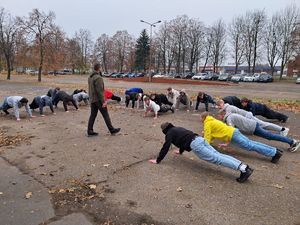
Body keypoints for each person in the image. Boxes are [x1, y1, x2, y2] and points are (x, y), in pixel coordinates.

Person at [149, 122, 253, 183]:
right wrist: (180, 152)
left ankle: (243, 170)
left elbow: (166, 147)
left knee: (217, 159)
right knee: (219, 155)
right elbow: (183, 139)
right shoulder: (177, 128)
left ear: (164, 130)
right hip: (199, 138)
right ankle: (244, 167)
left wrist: (158, 160)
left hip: (195, 144)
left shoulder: (169, 133)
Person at [200, 112, 283, 163]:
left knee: (250, 146)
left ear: (203, 118)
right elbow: (211, 136)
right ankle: (274, 151)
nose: (200, 120)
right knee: (251, 143)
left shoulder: (207, 124)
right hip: (234, 131)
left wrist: (205, 146)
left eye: (200, 118)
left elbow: (207, 136)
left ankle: (274, 153)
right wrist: (209, 142)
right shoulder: (212, 121)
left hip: (232, 135)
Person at [218, 111, 300, 152]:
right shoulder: (231, 116)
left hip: (253, 127)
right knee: (269, 136)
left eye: (219, 116)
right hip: (253, 126)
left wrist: (227, 143)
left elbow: (231, 131)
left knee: (270, 136)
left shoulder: (229, 118)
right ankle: (292, 141)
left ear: (222, 115)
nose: (219, 118)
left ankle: (292, 141)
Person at [216, 99, 289, 136]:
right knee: (263, 125)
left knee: (264, 124)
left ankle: (283, 129)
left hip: (248, 116)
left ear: (222, 104)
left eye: (219, 106)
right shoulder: (227, 107)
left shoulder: (228, 108)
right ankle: (282, 129)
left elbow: (228, 120)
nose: (219, 108)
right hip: (247, 116)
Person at [87, 63, 120, 136]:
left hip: (92, 99)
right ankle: (112, 130)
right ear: (99, 68)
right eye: (101, 68)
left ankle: (89, 130)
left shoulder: (90, 77)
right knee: (105, 115)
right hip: (98, 100)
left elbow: (91, 90)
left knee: (93, 115)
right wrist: (104, 101)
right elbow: (100, 91)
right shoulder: (98, 78)